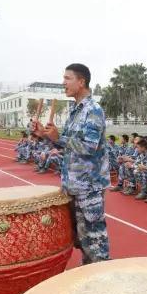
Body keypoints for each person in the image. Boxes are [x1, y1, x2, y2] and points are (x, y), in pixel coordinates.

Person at [34, 63, 111, 265]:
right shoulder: (75, 111)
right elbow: (67, 145)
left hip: (89, 188)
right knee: (82, 242)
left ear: (81, 81)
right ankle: (90, 284)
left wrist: (59, 137)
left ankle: (104, 285)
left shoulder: (93, 110)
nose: (63, 83)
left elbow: (88, 147)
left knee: (96, 244)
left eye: (67, 78)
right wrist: (46, 135)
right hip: (73, 186)